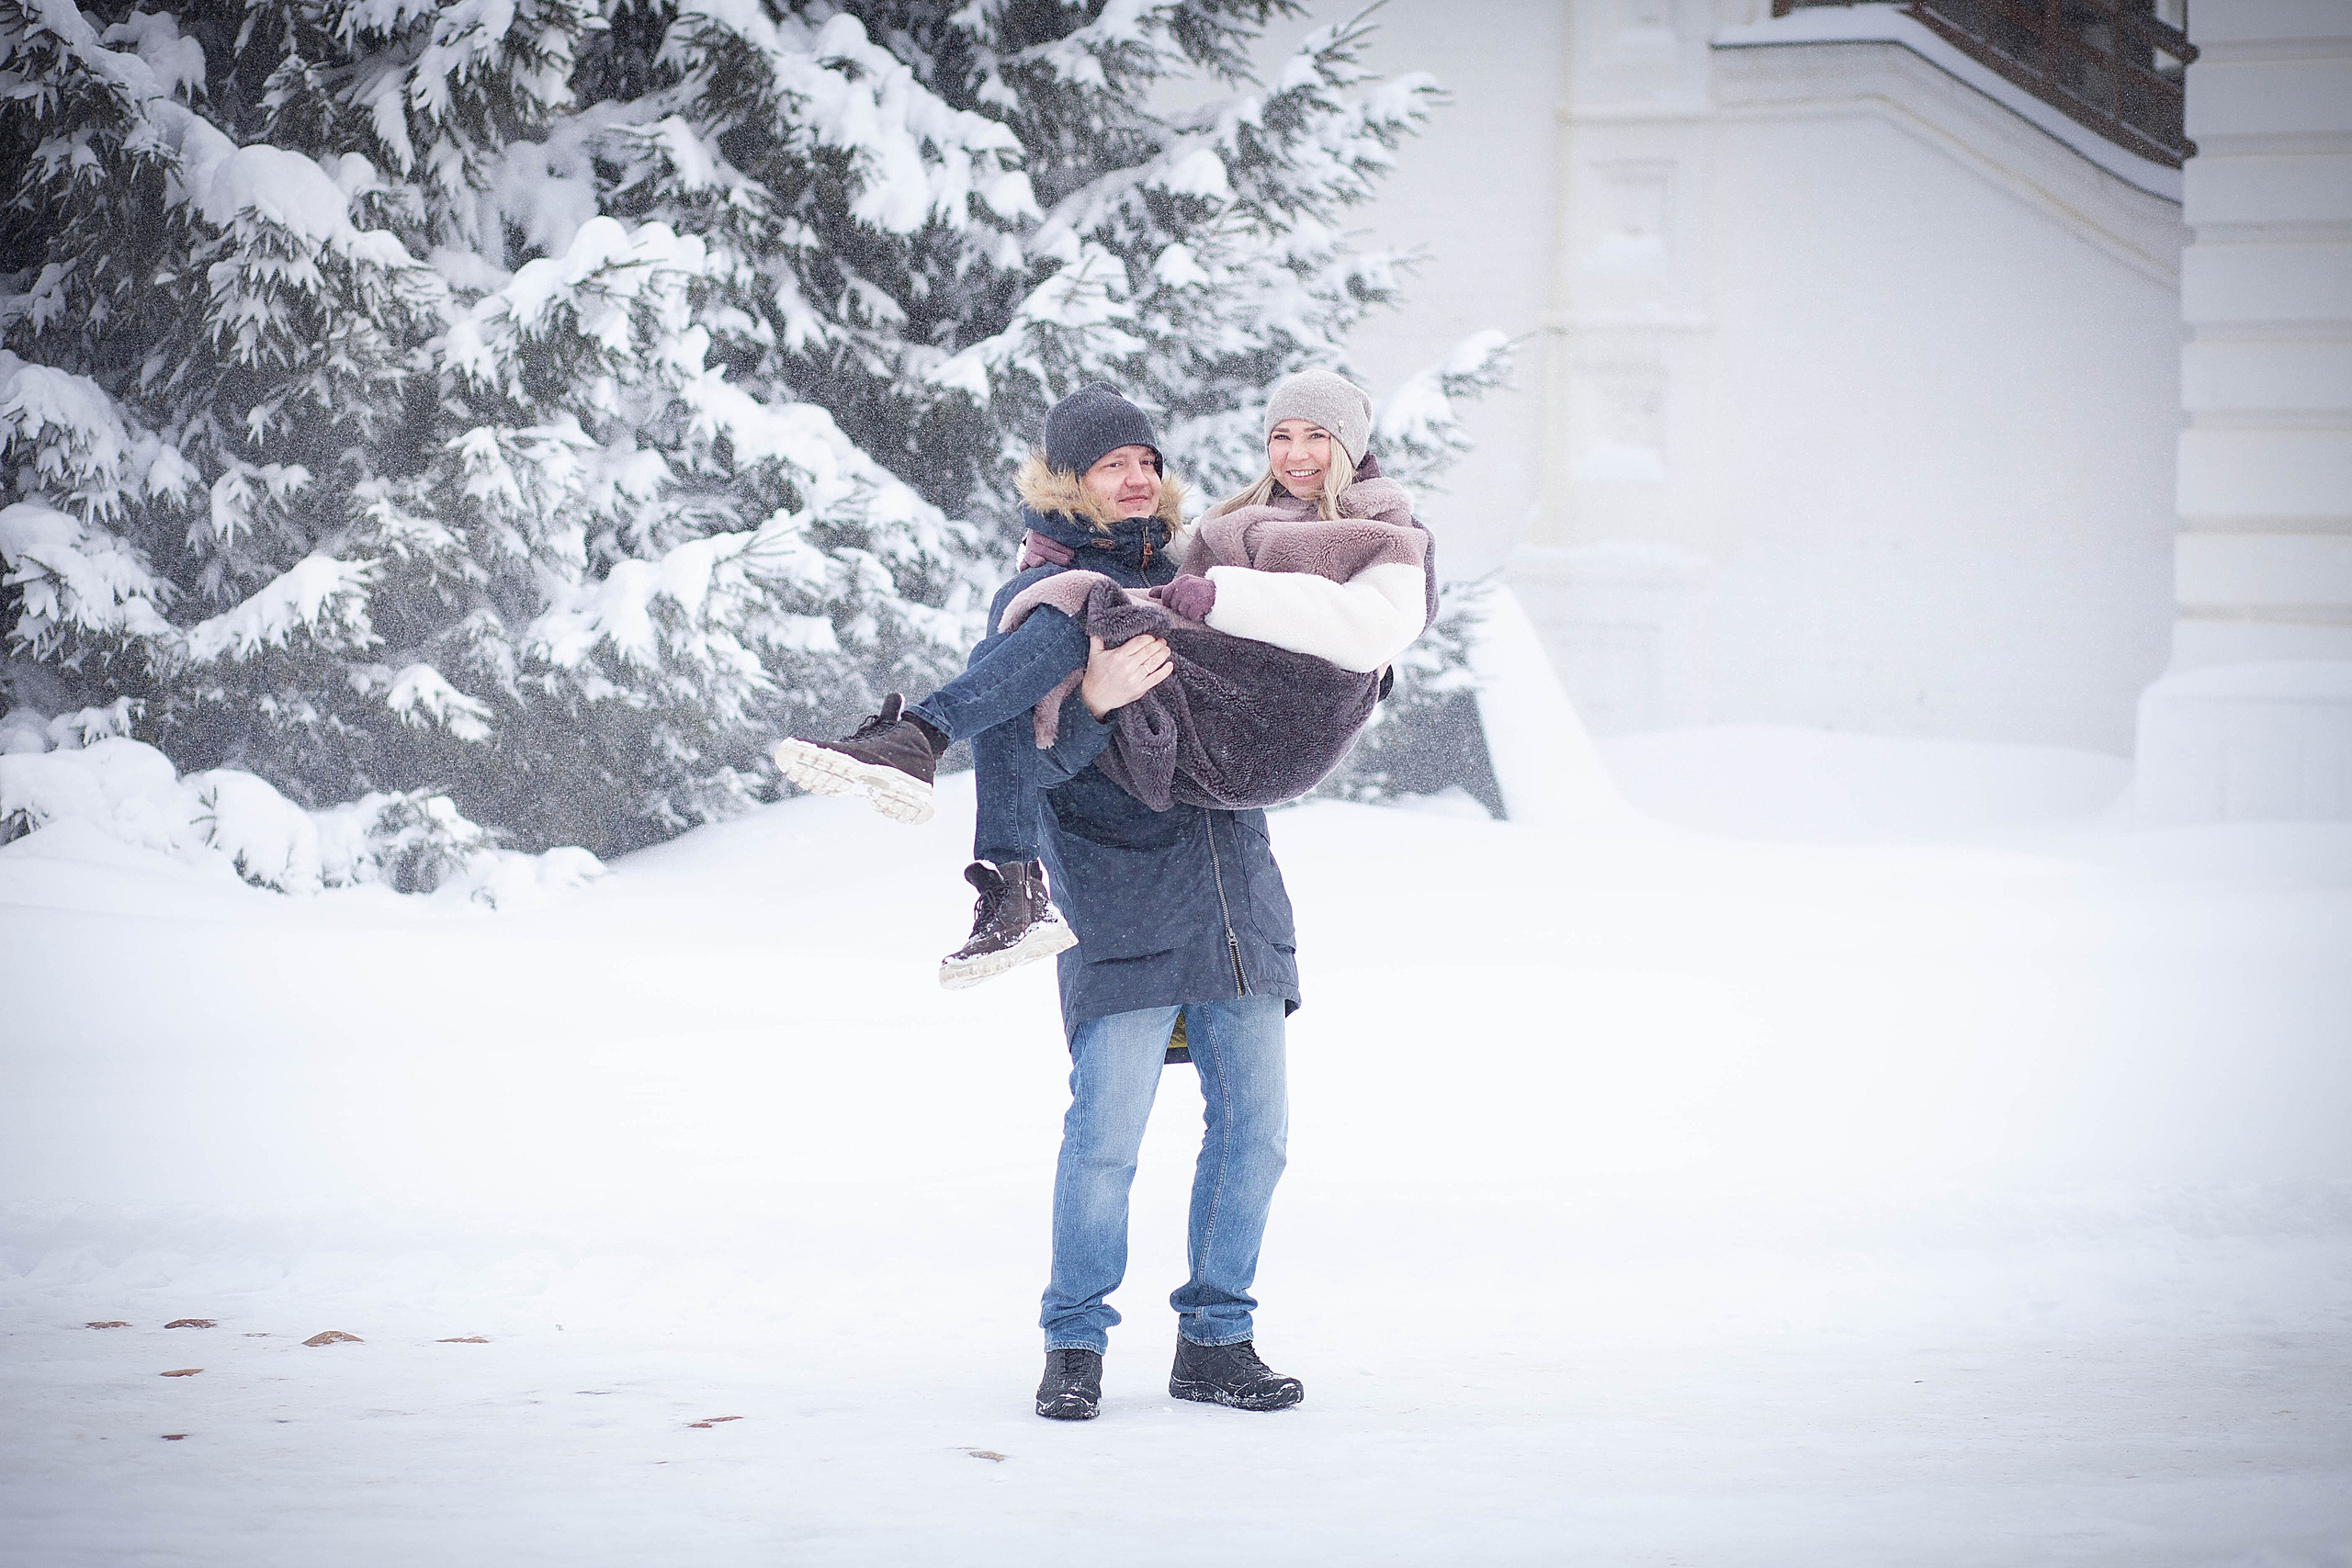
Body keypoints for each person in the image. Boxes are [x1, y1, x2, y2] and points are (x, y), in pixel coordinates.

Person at [776, 374, 1435, 1420]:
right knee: (1105, 1141)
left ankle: (1215, 1341)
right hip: (1120, 894)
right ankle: (1074, 1344)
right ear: (1065, 483)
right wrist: (1090, 700)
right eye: (1108, 465)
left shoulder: (1186, 574)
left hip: (1236, 893)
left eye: (1145, 462)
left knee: (1256, 1136)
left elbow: (1278, 669)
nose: (1134, 478)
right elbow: (1031, 769)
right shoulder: (1043, 602)